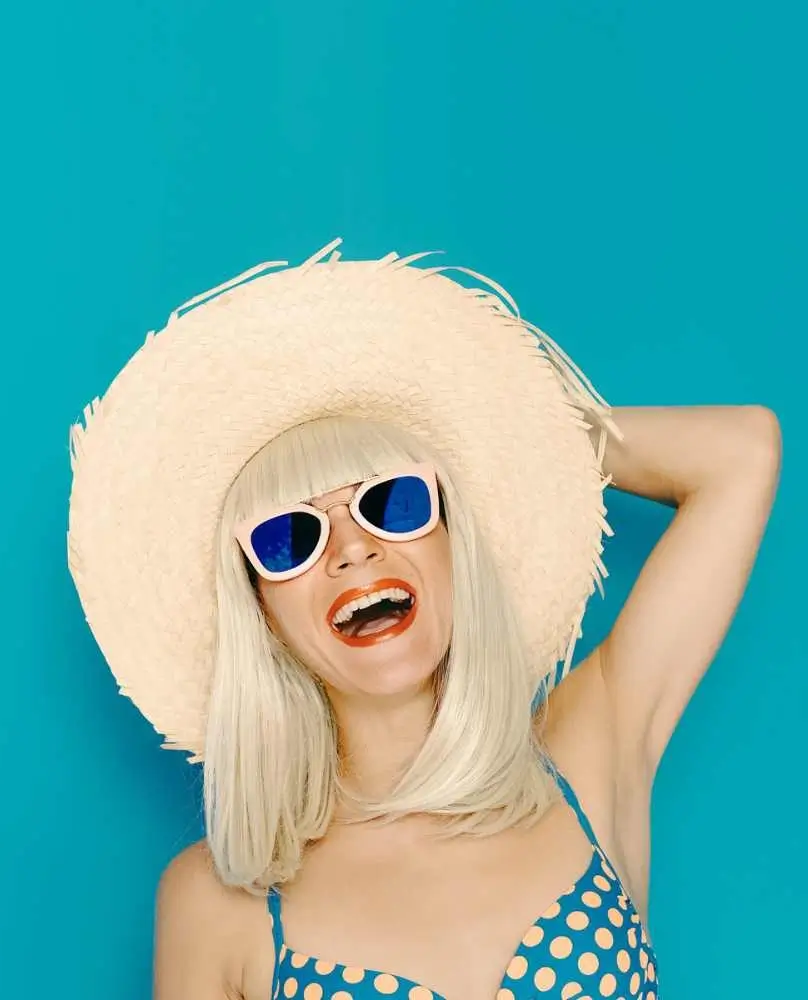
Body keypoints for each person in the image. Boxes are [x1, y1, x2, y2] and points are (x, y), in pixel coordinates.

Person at [67, 240, 781, 1000]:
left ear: (453, 544)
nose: (352, 550)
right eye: (289, 539)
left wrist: (506, 428)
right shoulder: (218, 903)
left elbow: (741, 451)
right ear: (263, 613)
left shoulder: (584, 757)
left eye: (393, 501)